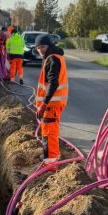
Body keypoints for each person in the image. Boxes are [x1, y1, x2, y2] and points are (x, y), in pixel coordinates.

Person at [34, 33, 68, 164]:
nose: (40, 50)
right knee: (50, 134)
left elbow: (54, 84)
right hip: (54, 104)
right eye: (37, 48)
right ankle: (53, 160)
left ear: (49, 46)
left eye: (42, 47)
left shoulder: (53, 59)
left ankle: (50, 166)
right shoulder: (56, 57)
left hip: (50, 106)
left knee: (49, 136)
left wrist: (43, 104)